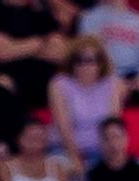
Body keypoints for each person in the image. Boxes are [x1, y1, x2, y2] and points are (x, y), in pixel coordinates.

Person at [48, 37, 123, 168]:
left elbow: (113, 125)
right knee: (65, 167)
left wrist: (112, 155)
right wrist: (75, 157)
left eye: (90, 60)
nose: (84, 66)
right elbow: (63, 127)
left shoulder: (113, 83)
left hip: (101, 150)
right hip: (64, 148)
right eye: (78, 60)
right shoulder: (59, 84)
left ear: (101, 63)